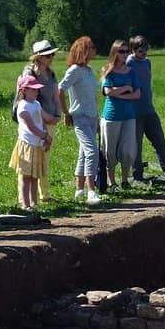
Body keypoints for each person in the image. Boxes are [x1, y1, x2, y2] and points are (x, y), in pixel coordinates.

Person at [126, 34, 165, 184]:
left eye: (146, 48)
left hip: (149, 110)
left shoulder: (147, 62)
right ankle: (137, 177)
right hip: (135, 112)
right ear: (132, 50)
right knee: (136, 146)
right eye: (140, 50)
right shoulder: (129, 63)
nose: (144, 52)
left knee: (160, 142)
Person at [58, 36, 101, 205]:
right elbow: (60, 89)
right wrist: (66, 113)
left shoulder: (89, 70)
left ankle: (79, 190)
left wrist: (96, 118)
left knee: (84, 153)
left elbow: (92, 96)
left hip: (91, 117)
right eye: (91, 47)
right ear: (83, 51)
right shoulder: (74, 70)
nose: (94, 50)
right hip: (80, 117)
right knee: (92, 151)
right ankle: (92, 191)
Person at [20, 40, 62, 201]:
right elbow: (27, 98)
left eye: (52, 54)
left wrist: (57, 114)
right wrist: (46, 116)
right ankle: (26, 198)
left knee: (44, 157)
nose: (52, 57)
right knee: (29, 161)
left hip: (51, 119)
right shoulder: (29, 73)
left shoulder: (51, 73)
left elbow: (55, 95)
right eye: (48, 55)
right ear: (38, 57)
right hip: (37, 120)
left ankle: (44, 194)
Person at [100, 39, 141, 190]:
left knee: (128, 150)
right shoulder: (108, 71)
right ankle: (112, 182)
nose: (125, 55)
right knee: (110, 151)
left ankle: (125, 180)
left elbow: (137, 94)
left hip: (129, 116)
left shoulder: (131, 72)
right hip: (111, 117)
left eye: (126, 51)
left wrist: (120, 93)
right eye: (121, 51)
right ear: (114, 53)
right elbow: (108, 91)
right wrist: (126, 88)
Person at [10, 74, 54, 210]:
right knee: (25, 177)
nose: (36, 92)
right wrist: (45, 136)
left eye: (37, 90)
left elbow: (42, 121)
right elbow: (31, 127)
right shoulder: (22, 107)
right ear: (23, 90)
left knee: (35, 176)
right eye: (33, 89)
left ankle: (34, 203)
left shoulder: (36, 104)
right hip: (27, 145)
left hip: (38, 144)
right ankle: (25, 203)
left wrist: (47, 132)